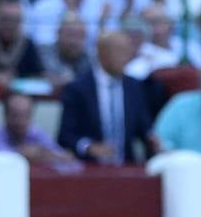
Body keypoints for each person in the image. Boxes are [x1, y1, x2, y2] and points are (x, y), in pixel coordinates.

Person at [57, 29, 153, 164]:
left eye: (128, 51)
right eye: (121, 52)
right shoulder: (77, 89)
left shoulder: (135, 87)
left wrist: (152, 138)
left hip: (126, 168)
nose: (127, 57)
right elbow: (65, 136)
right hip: (89, 170)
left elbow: (144, 128)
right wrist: (89, 147)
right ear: (102, 54)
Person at [0, 90, 78, 166]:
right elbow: (2, 160)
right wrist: (26, 154)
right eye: (15, 115)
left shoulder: (37, 133)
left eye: (26, 115)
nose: (21, 121)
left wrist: (41, 154)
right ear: (5, 115)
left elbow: (67, 158)